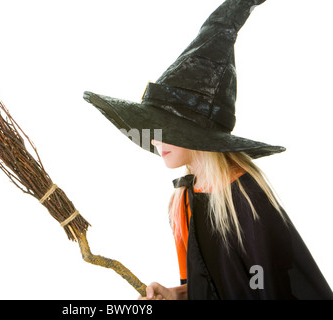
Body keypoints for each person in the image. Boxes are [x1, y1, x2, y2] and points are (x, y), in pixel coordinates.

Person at [83, 0, 333, 299]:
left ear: (196, 136)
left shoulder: (243, 197)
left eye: (164, 130)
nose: (154, 140)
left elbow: (263, 286)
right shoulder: (186, 197)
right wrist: (178, 294)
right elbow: (217, 285)